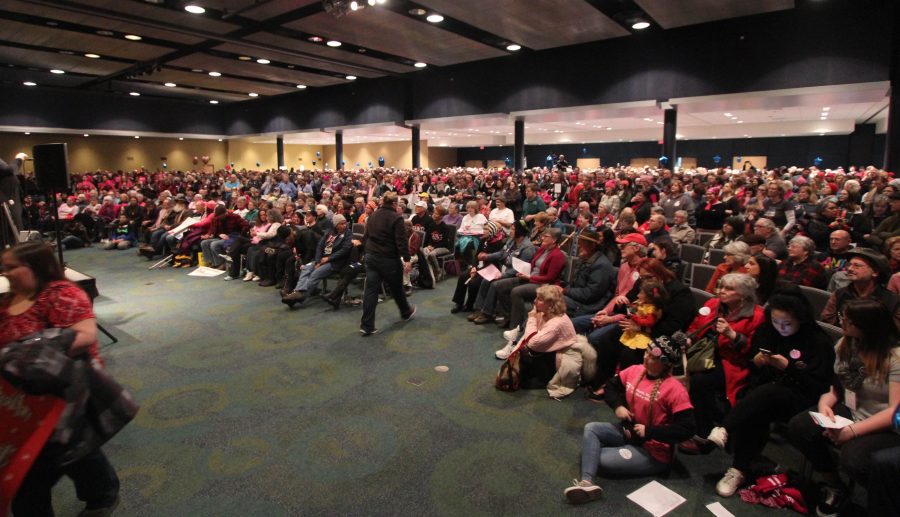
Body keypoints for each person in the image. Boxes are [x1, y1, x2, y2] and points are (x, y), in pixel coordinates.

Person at [0, 242, 121, 515]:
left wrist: (24, 355)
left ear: (34, 267)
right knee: (71, 451)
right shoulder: (9, 300)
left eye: (11, 267)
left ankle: (103, 494)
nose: (5, 273)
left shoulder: (62, 294)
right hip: (21, 395)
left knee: (37, 467)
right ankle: (103, 492)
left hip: (64, 387)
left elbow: (86, 335)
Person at [707, 289, 835, 497]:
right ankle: (739, 469)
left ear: (800, 319)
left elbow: (819, 385)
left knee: (767, 394)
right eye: (776, 322)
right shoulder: (768, 330)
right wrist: (757, 361)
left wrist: (788, 367)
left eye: (787, 324)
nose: (781, 328)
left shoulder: (818, 341)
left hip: (803, 397)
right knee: (759, 405)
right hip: (767, 392)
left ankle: (725, 429)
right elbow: (753, 360)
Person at [788, 298, 900, 517]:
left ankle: (885, 502)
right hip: (852, 409)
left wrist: (851, 432)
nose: (842, 323)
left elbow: (895, 411)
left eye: (848, 321)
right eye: (843, 318)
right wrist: (824, 408)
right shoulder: (845, 344)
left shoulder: (894, 357)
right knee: (800, 427)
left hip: (885, 424)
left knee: (853, 459)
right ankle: (834, 483)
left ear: (868, 325)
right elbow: (835, 390)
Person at [563, 333, 694, 505]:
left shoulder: (675, 390)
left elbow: (688, 428)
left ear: (664, 363)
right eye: (646, 352)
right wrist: (618, 406)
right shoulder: (636, 370)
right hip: (631, 433)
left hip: (654, 451)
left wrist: (650, 431)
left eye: (652, 357)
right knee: (591, 428)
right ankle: (587, 483)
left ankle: (620, 458)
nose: (646, 357)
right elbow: (610, 386)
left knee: (601, 458)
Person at [680, 273, 765, 454]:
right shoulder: (713, 304)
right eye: (722, 286)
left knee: (700, 381)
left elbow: (754, 352)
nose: (722, 291)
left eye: (729, 288)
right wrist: (688, 339)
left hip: (732, 362)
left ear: (743, 294)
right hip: (703, 351)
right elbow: (695, 326)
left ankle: (701, 436)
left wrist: (732, 335)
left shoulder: (757, 316)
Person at [359, 192, 415, 336]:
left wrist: (365, 253)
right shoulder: (396, 218)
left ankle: (366, 325)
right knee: (397, 288)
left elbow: (365, 238)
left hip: (371, 257)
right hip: (388, 259)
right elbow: (401, 241)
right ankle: (406, 311)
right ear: (395, 204)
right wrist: (407, 259)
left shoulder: (372, 216)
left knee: (370, 291)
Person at [506, 285, 577, 388]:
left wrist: (531, 319)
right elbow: (527, 337)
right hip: (548, 352)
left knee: (525, 380)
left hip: (560, 358)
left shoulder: (556, 323)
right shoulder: (544, 313)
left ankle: (544, 379)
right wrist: (512, 354)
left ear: (550, 304)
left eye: (539, 299)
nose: (535, 301)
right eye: (536, 297)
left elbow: (533, 343)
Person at [282, 214, 353, 307]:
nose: (344, 225)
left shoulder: (348, 234)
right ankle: (297, 293)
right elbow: (320, 246)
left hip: (336, 262)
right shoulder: (330, 232)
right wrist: (318, 260)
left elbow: (345, 250)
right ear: (335, 225)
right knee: (306, 268)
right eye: (341, 224)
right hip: (322, 259)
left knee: (316, 273)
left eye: (345, 223)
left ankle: (300, 296)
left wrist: (328, 258)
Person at [821, 247, 900, 329]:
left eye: (857, 266)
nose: (850, 269)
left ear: (875, 272)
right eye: (849, 265)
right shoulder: (839, 294)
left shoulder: (892, 301)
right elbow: (827, 321)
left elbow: (894, 333)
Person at [619, 281, 666, 351]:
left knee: (634, 347)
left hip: (643, 333)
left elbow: (648, 322)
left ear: (649, 298)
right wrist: (630, 307)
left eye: (641, 293)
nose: (638, 295)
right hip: (633, 328)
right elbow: (635, 308)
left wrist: (635, 318)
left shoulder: (652, 309)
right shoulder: (642, 302)